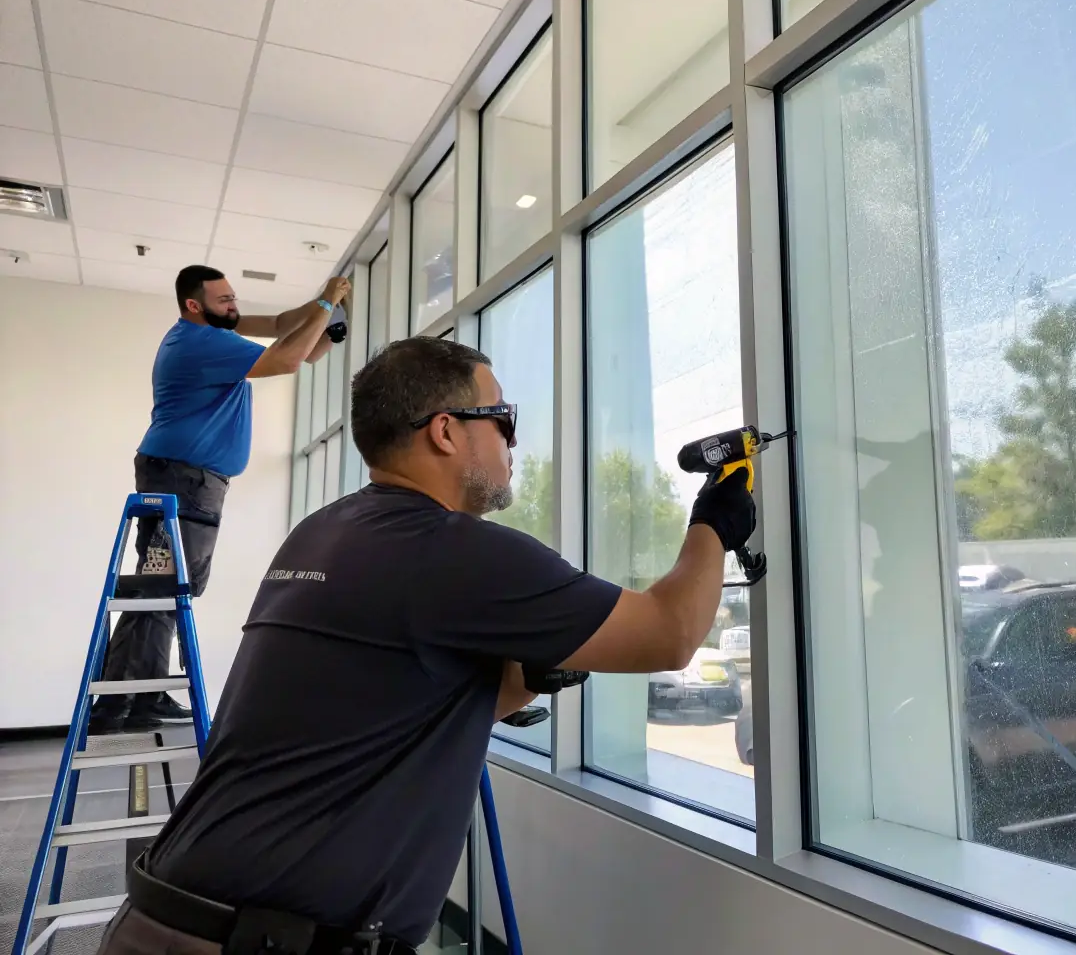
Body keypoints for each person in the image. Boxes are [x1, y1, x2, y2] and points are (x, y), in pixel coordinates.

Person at [94, 336, 756, 955]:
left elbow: (393, 706)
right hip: (258, 938)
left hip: (169, 914)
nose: (513, 442)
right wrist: (713, 523)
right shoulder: (455, 551)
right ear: (444, 430)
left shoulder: (321, 532)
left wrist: (528, 672)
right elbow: (669, 633)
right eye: (503, 419)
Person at [90, 265, 352, 735]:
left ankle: (140, 695)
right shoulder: (200, 342)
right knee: (164, 587)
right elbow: (289, 360)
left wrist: (329, 317)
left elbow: (284, 332)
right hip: (183, 478)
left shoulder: (213, 331)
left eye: (234, 297)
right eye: (225, 300)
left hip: (186, 477)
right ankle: (118, 701)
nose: (234, 306)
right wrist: (326, 303)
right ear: (195, 305)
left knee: (167, 587)